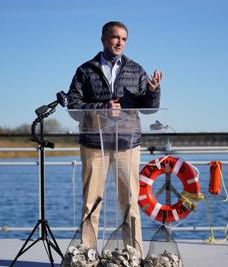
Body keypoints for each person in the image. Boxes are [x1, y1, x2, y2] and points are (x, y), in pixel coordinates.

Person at [66, 21, 162, 253]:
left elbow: (149, 109)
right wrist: (102, 108)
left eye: (124, 39)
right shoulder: (85, 70)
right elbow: (73, 106)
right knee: (91, 204)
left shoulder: (136, 69)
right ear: (103, 39)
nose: (120, 42)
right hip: (93, 145)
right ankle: (87, 254)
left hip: (127, 145)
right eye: (115, 37)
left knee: (129, 203)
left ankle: (133, 254)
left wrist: (152, 91)